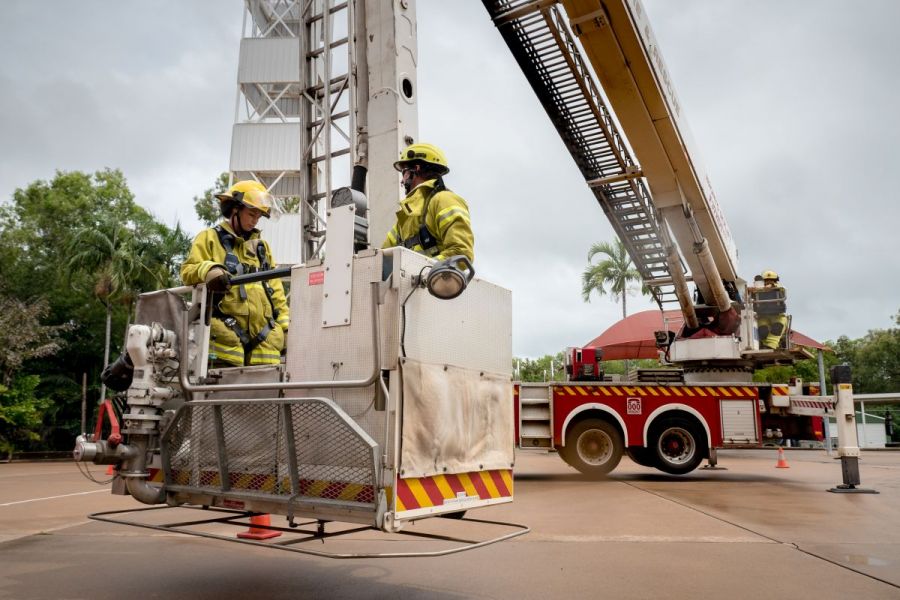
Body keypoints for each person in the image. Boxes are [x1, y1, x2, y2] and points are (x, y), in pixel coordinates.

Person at [181, 180, 290, 367]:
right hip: (225, 344)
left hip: (266, 347)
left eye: (259, 217)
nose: (255, 221)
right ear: (234, 209)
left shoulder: (263, 249)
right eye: (251, 214)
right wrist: (209, 270)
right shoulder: (209, 238)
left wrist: (286, 330)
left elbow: (277, 294)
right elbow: (188, 271)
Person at [381, 143, 474, 263]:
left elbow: (461, 254)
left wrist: (420, 270)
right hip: (418, 276)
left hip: (437, 276)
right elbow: (381, 259)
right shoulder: (405, 217)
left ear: (416, 169)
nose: (402, 181)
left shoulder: (444, 200)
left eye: (403, 172)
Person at [753, 270, 788, 350]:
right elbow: (749, 295)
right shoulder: (758, 290)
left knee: (777, 327)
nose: (768, 282)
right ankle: (765, 345)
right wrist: (754, 289)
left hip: (778, 316)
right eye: (766, 280)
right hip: (763, 316)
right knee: (763, 330)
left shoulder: (779, 289)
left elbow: (781, 289)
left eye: (771, 280)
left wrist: (772, 285)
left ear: (775, 281)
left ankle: (771, 346)